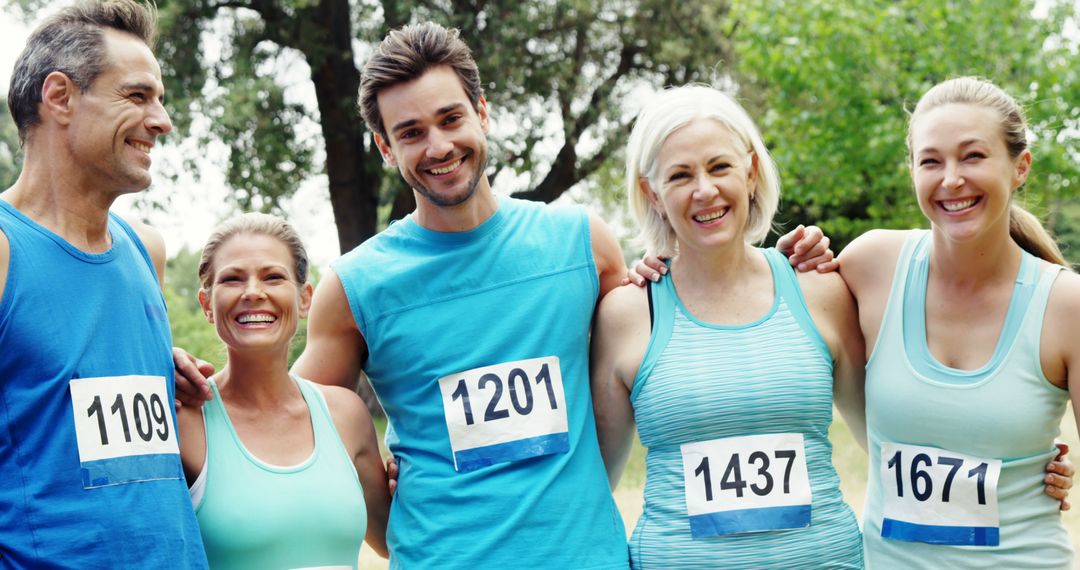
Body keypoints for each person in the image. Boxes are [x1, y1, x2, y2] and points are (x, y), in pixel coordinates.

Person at [172, 21, 834, 569]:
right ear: (383, 146)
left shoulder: (584, 244)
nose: (438, 145)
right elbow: (287, 421)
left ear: (482, 114)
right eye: (409, 133)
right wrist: (183, 387)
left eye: (450, 118)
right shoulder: (358, 282)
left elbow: (687, 326)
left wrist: (780, 261)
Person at [592, 85, 866, 569]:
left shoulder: (821, 291)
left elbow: (893, 439)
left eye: (719, 167)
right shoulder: (626, 313)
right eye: (680, 175)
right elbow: (591, 483)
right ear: (651, 193)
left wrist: (1033, 456)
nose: (705, 190)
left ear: (751, 172)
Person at [839, 77, 1080, 568]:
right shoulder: (868, 266)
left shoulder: (1066, 305)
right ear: (912, 171)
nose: (951, 179)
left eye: (972, 156)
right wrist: (652, 279)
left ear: (1020, 167)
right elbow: (769, 319)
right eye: (931, 161)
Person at [0, 1, 207, 567]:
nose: (162, 120)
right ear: (60, 97)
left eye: (160, 100)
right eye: (138, 96)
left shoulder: (147, 249)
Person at [177, 213, 390, 568]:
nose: (253, 293)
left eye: (273, 277)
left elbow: (391, 538)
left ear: (305, 298)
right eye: (232, 279)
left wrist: (415, 479)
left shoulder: (346, 415)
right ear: (206, 305)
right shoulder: (183, 419)